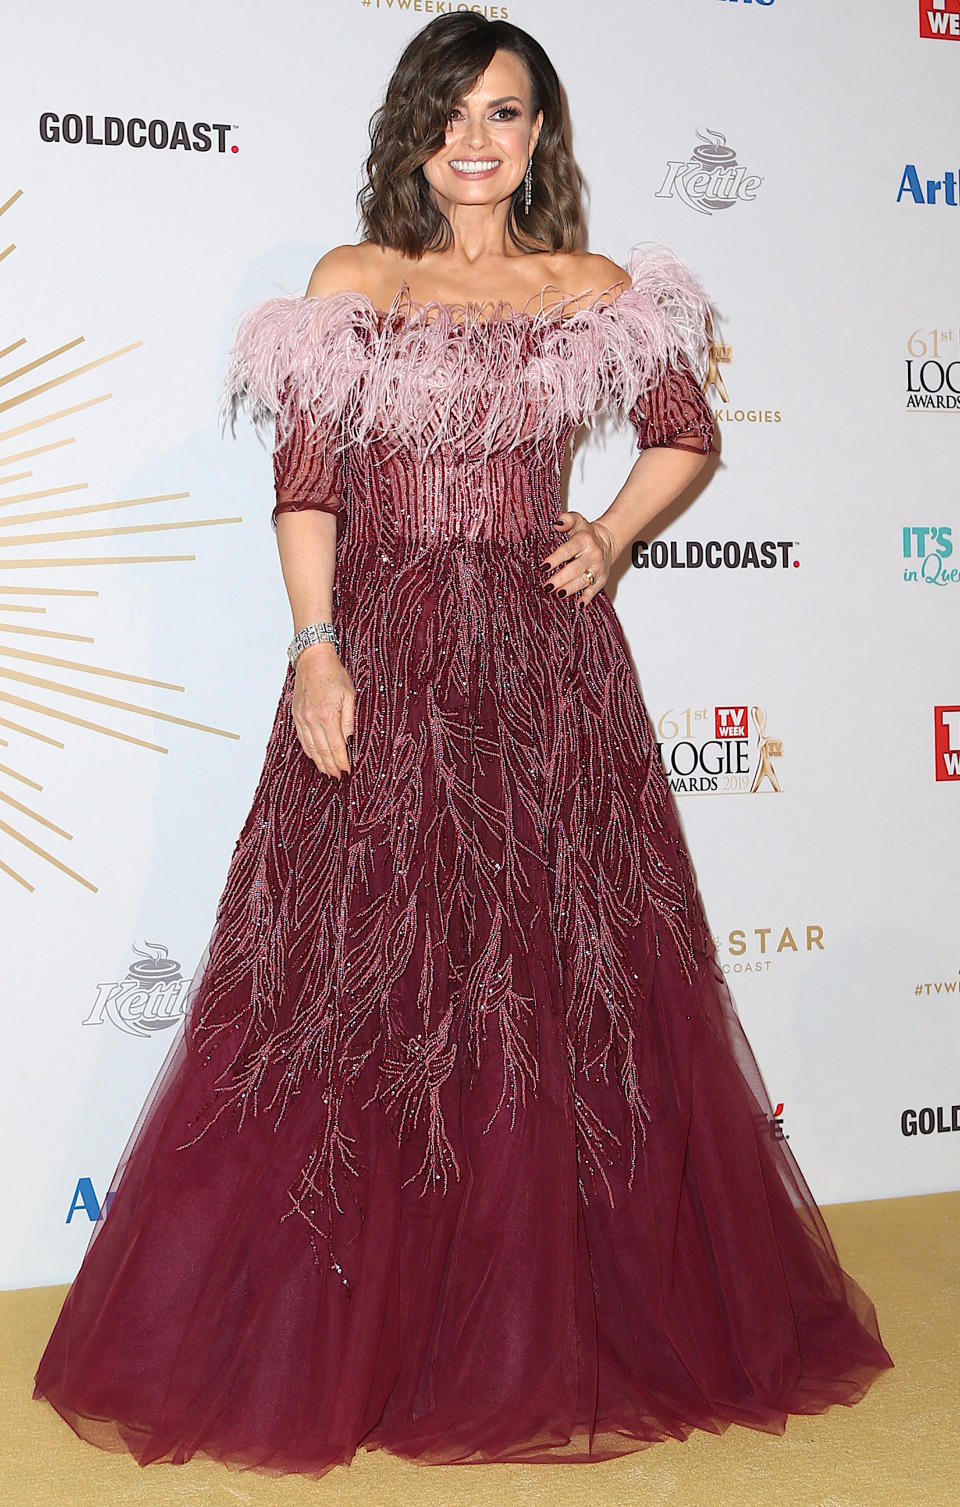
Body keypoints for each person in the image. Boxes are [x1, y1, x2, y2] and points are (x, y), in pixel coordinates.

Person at [33, 13, 894, 1478]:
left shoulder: (594, 289)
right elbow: (308, 485)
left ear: (542, 132)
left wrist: (610, 535)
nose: (478, 138)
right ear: (412, 130)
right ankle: (356, 1335)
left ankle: (531, 1327)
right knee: (358, 986)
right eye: (452, 111)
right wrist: (316, 651)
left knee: (558, 984)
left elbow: (685, 429)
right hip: (385, 653)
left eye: (506, 111)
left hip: (548, 671)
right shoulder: (354, 284)